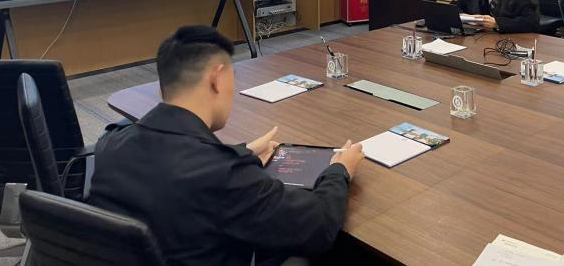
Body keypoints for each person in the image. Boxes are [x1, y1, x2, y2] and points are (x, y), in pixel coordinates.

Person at [88, 25, 365, 266]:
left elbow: (178, 164)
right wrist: (339, 170)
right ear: (217, 78)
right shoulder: (223, 175)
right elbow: (317, 225)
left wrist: (243, 153)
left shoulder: (110, 144)